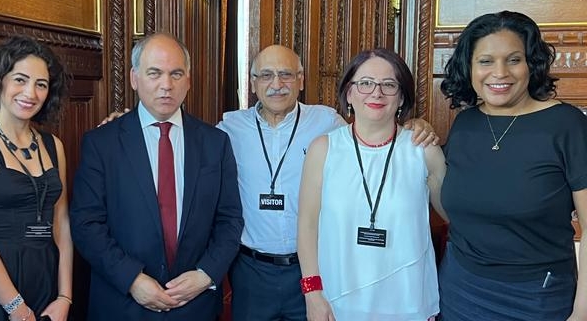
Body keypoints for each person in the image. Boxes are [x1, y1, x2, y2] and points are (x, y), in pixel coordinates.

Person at [217, 44, 439, 321]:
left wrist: (417, 125)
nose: (277, 84)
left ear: (301, 80)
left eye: (286, 74)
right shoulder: (228, 130)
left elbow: (373, 130)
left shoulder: (326, 122)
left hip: (316, 267)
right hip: (252, 269)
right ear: (252, 83)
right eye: (266, 75)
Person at [69, 33, 244, 321]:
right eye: (155, 73)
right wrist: (132, 280)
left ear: (188, 80)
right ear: (134, 78)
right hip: (123, 303)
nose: (166, 85)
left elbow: (230, 219)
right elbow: (86, 223)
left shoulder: (216, 143)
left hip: (195, 305)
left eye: (176, 74)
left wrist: (206, 274)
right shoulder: (101, 143)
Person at [438, 10, 587, 321]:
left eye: (514, 59)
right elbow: (450, 203)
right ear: (470, 67)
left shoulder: (567, 125)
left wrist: (582, 311)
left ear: (531, 64)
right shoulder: (466, 124)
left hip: (538, 296)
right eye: (486, 61)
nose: (500, 72)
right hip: (460, 287)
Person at [295, 48, 445, 321]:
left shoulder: (423, 150)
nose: (376, 93)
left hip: (408, 302)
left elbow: (453, 213)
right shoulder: (323, 149)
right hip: (337, 301)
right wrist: (312, 293)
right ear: (349, 93)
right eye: (365, 83)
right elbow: (307, 226)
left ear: (401, 97)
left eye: (389, 85)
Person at [0, 36, 73, 321]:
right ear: (0, 80)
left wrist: (65, 297)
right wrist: (15, 307)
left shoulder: (54, 145)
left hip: (48, 280)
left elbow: (61, 224)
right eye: (20, 80)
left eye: (41, 84)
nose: (31, 93)